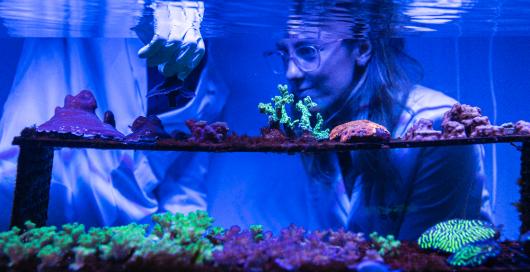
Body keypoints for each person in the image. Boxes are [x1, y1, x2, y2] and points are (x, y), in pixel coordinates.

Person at [199, 0, 492, 240]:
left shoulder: (437, 124)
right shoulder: (320, 126)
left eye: (307, 51)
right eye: (284, 54)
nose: (292, 73)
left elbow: (430, 259)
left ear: (362, 48)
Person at [0, 0, 225, 231]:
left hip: (131, 250)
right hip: (17, 228)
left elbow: (183, 190)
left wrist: (185, 254)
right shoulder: (75, 17)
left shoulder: (211, 86)